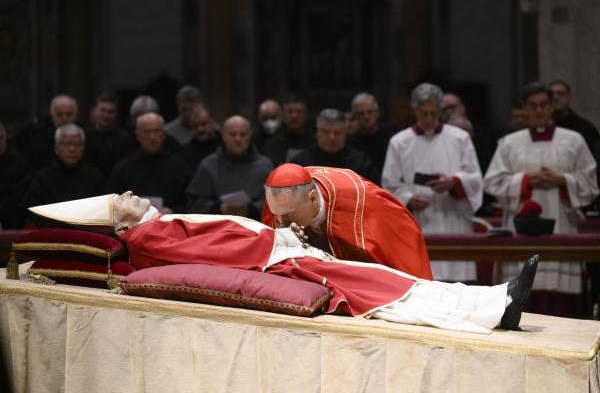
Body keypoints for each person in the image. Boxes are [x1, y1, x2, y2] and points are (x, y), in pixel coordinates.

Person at [29, 192, 540, 334]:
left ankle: (493, 300)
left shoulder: (156, 224)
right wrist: (278, 246)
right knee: (381, 291)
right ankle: (493, 308)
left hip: (281, 252)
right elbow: (211, 253)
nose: (133, 194)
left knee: (386, 279)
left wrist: (274, 238)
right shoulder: (149, 238)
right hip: (280, 265)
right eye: (124, 199)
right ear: (120, 224)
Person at [484, 81, 599, 318]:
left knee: (563, 311)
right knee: (522, 304)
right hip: (520, 233)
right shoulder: (509, 143)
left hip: (562, 229)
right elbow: (492, 183)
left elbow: (591, 184)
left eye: (544, 105)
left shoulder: (573, 140)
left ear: (552, 107)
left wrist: (562, 180)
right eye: (533, 106)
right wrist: (526, 181)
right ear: (524, 109)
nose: (538, 111)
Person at [382, 83, 483, 283]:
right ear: (415, 110)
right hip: (420, 220)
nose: (428, 119)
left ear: (439, 110)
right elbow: (389, 183)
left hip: (453, 219)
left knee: (458, 285)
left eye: (433, 113)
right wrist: (408, 198)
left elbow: (475, 177)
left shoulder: (459, 138)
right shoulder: (399, 142)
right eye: (423, 113)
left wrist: (453, 183)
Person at [261, 163, 432, 280]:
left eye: (289, 215)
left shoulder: (364, 203)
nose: (280, 223)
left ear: (313, 198)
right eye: (276, 214)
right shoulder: (283, 199)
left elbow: (402, 241)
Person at [186, 115, 272, 220]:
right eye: (232, 134)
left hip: (256, 229)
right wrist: (218, 208)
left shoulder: (265, 166)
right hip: (215, 229)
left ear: (250, 136)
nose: (238, 139)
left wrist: (250, 210)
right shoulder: (208, 165)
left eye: (243, 134)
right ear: (223, 136)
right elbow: (193, 205)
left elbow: (276, 205)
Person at [107, 113, 190, 213]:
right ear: (138, 135)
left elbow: (189, 203)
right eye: (147, 132)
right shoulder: (123, 169)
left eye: (156, 131)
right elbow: (112, 205)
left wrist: (172, 211)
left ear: (163, 134)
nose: (152, 137)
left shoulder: (179, 168)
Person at [22, 124, 104, 209]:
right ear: (56, 148)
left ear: (83, 148)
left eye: (77, 144)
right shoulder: (43, 179)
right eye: (66, 144)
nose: (72, 149)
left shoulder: (95, 178)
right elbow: (34, 210)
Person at [290, 109, 380, 183]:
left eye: (337, 132)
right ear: (317, 132)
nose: (332, 137)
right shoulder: (301, 164)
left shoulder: (361, 163)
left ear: (345, 132)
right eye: (326, 132)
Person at [22, 94, 79, 172]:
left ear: (76, 115)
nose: (64, 118)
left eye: (69, 114)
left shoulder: (88, 139)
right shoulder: (38, 142)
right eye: (59, 114)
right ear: (52, 116)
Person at [84, 93, 133, 176]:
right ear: (94, 112)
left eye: (111, 112)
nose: (106, 115)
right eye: (102, 110)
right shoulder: (85, 137)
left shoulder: (125, 139)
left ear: (116, 115)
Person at [347, 92, 393, 175]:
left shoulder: (390, 136)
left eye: (370, 112)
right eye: (361, 113)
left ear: (377, 113)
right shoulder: (350, 141)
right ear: (355, 116)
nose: (366, 117)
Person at [262, 95, 315, 166]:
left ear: (306, 115)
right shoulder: (272, 145)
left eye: (299, 112)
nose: (294, 116)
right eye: (290, 112)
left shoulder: (316, 143)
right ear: (282, 115)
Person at [549, 80, 599, 151]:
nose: (555, 97)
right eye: (551, 94)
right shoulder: (539, 127)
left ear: (569, 97)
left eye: (561, 93)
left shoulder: (586, 129)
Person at [0, 122, 31, 228]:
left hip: (10, 225)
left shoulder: (19, 164)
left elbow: (19, 197)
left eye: (0, 137)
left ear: (5, 137)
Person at [179, 104, 220, 171]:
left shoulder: (224, 145)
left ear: (212, 122)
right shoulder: (184, 152)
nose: (200, 129)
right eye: (195, 126)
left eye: (204, 124)